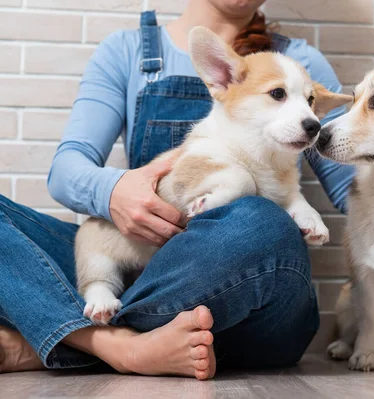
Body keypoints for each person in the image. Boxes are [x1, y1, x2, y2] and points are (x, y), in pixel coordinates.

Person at [0, 0, 354, 380]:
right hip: (137, 257)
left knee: (263, 222)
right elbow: (66, 169)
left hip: (247, 304)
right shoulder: (128, 50)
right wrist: (117, 190)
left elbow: (351, 186)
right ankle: (120, 346)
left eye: (309, 102)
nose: (306, 112)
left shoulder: (301, 62)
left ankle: (68, 337)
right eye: (279, 95)